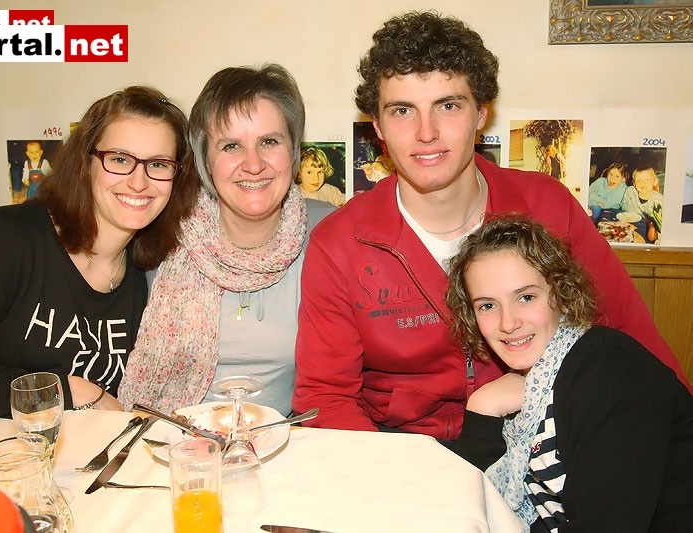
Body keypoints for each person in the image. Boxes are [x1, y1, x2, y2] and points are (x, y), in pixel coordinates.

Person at [293, 11, 688, 436]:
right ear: (378, 127)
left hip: (541, 439)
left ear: (481, 113)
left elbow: (632, 341)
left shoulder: (546, 207)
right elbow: (325, 397)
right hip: (402, 451)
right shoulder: (339, 242)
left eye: (448, 106)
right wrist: (395, 472)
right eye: (403, 110)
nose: (426, 132)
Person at [0, 86, 199, 453]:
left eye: (159, 164)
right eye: (119, 159)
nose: (139, 181)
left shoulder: (148, 274)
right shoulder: (4, 238)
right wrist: (67, 390)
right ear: (85, 163)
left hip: (55, 465)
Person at [445, 216, 693, 532]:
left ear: (561, 292)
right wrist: (483, 408)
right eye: (488, 306)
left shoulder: (608, 370)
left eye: (526, 297)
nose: (508, 323)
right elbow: (461, 500)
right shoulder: (534, 384)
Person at [118, 64, 333, 417]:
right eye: (231, 146)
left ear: (294, 151)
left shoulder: (330, 234)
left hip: (287, 439)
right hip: (168, 435)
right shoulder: (160, 233)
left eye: (269, 142)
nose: (253, 164)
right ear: (205, 159)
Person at [621, 165, 663, 232]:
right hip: (628, 226)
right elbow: (624, 209)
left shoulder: (660, 201)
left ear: (655, 181)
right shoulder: (629, 192)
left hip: (647, 230)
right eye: (638, 180)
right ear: (634, 184)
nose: (642, 183)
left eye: (647, 179)